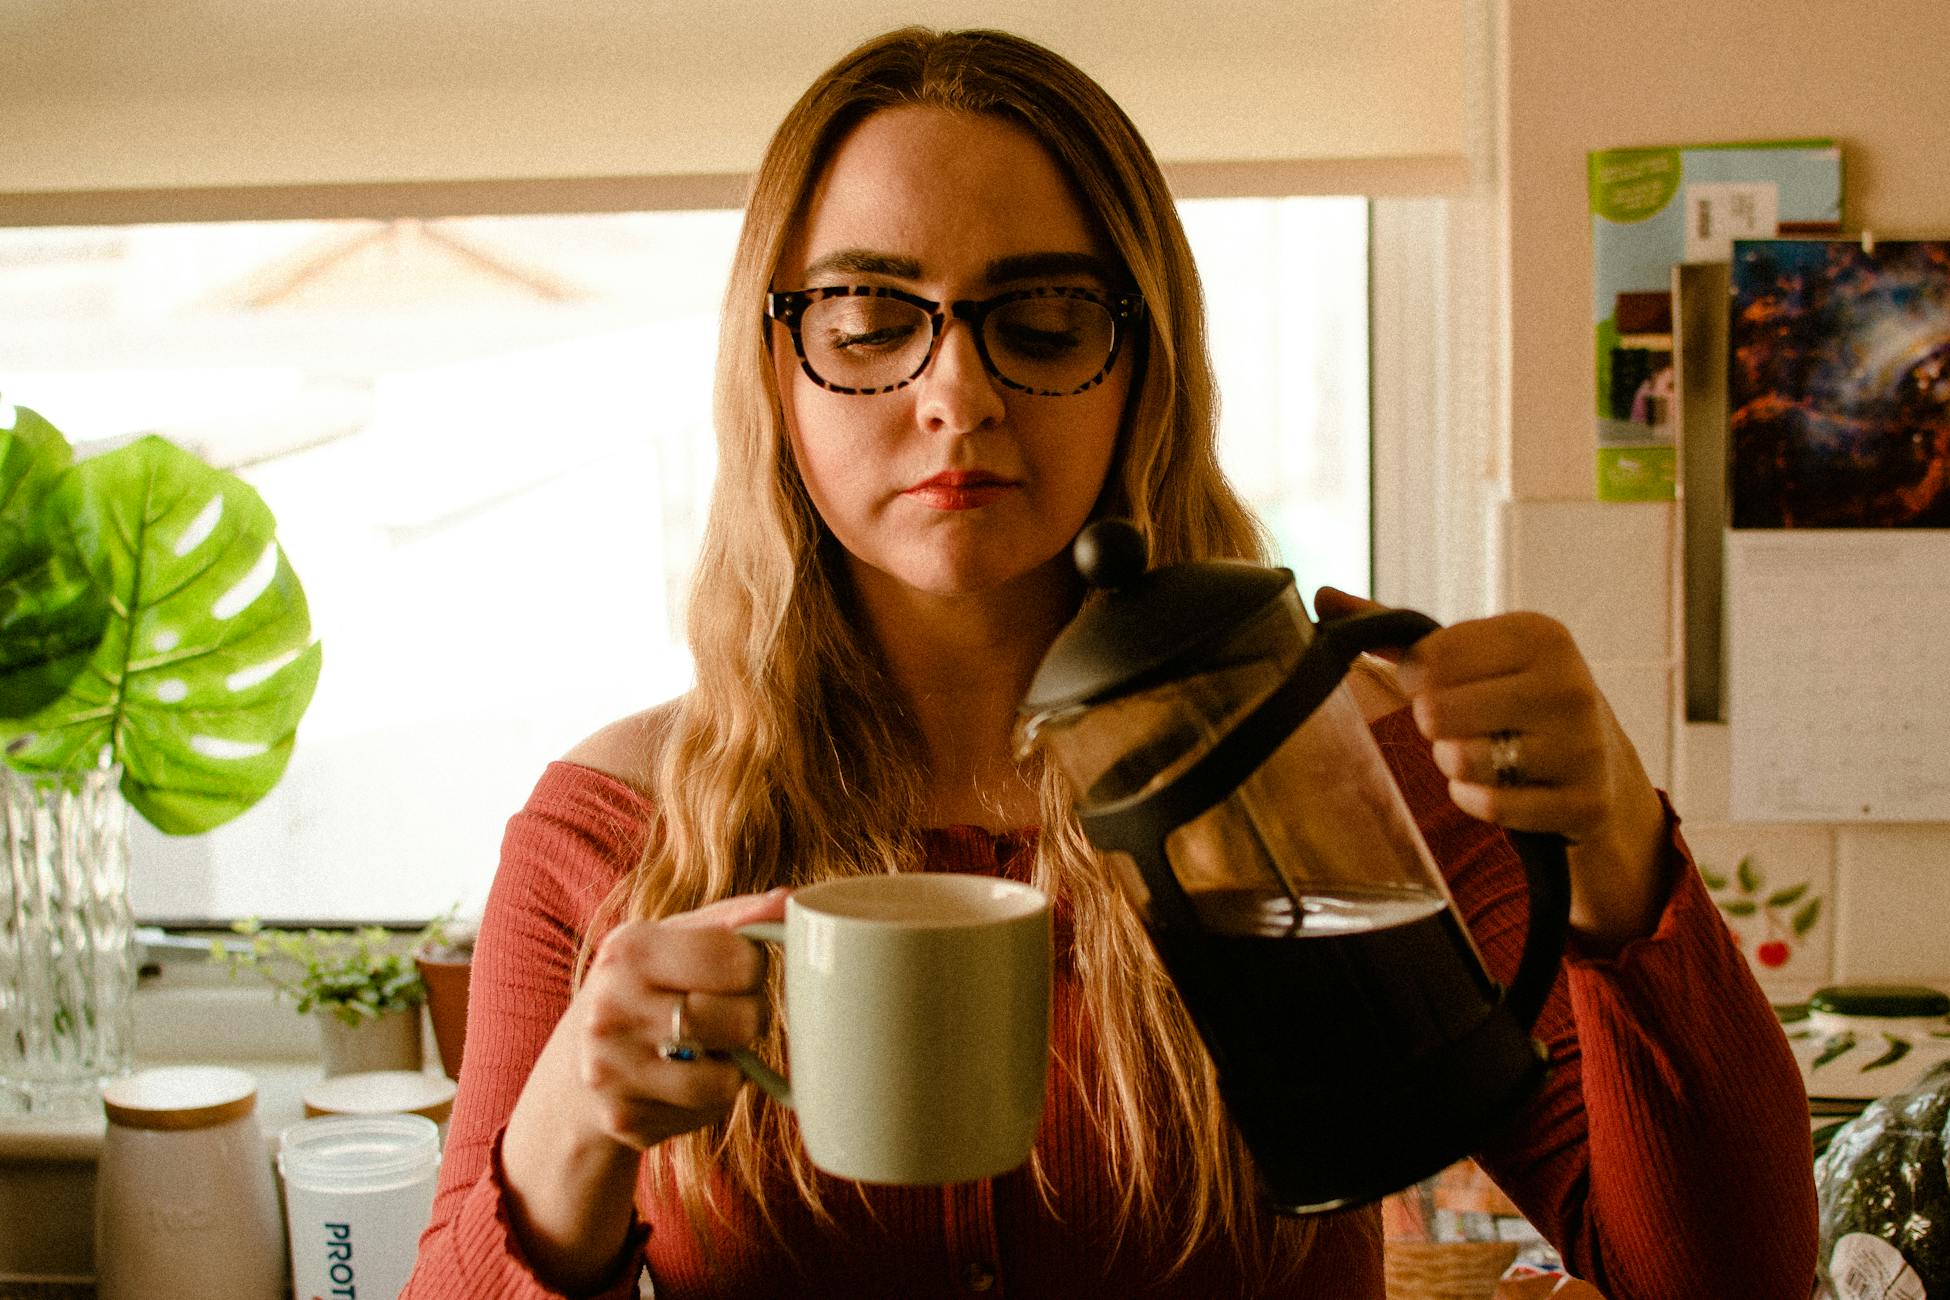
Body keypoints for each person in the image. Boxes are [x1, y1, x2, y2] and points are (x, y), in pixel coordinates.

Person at [404, 27, 1817, 1300]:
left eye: (1043, 320)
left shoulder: (1317, 779)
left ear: (1142, 362)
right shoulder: (608, 842)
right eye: (868, 319)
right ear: (774, 368)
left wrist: (1621, 849)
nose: (954, 391)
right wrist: (567, 1130)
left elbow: (1722, 1277)